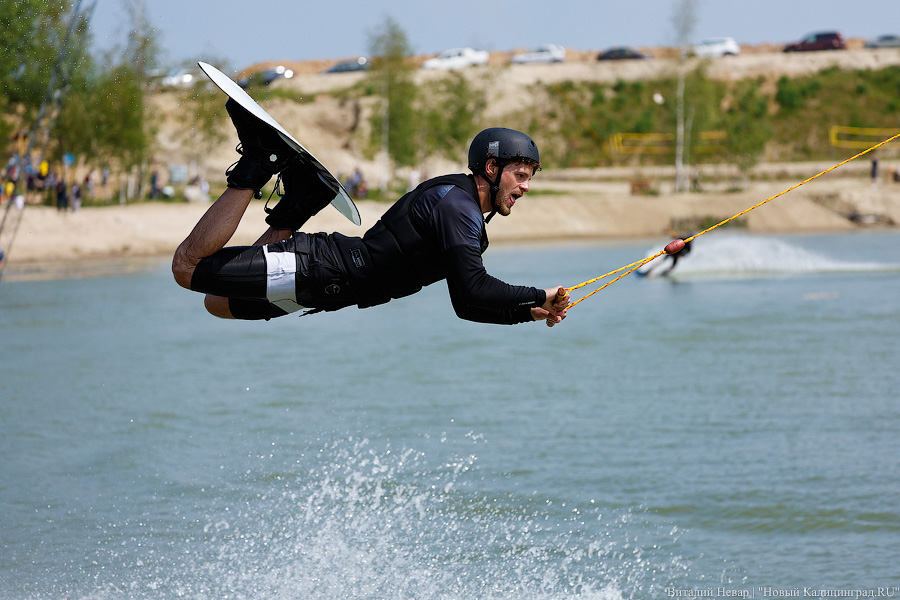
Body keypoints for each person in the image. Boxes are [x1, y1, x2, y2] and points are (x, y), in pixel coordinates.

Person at [172, 100, 570, 325]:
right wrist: (542, 293)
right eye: (520, 175)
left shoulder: (469, 223)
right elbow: (474, 288)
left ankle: (300, 202)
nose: (525, 187)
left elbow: (464, 306)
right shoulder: (456, 206)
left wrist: (528, 313)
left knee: (218, 302)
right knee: (186, 269)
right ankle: (259, 163)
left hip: (330, 292)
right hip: (322, 268)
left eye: (529, 178)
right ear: (491, 169)